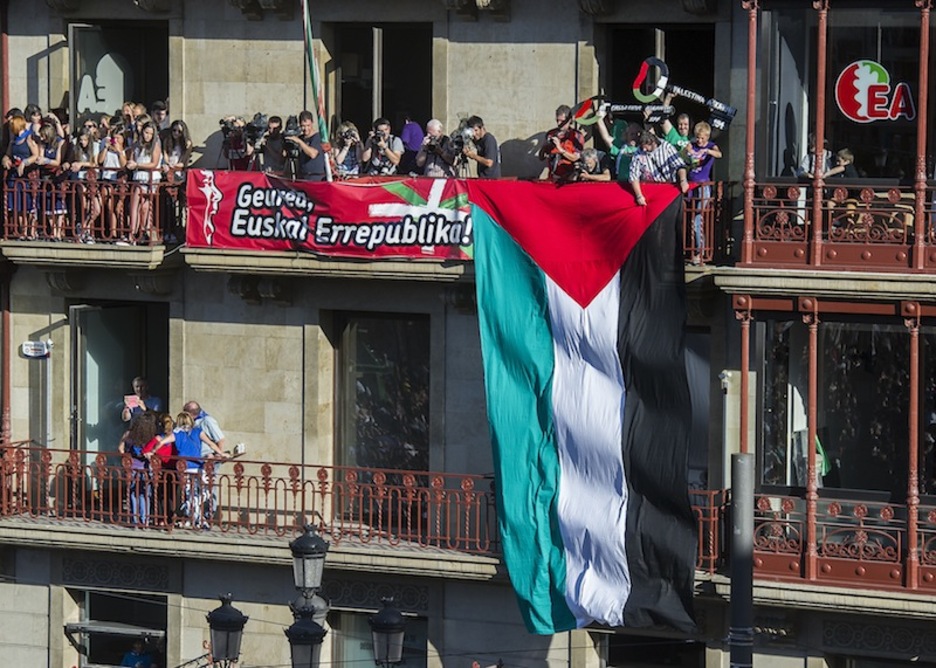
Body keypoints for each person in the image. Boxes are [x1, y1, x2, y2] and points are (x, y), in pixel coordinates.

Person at [682, 121, 722, 264]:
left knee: (697, 217)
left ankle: (699, 251)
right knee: (688, 216)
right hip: (691, 185)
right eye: (698, 138)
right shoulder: (693, 144)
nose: (699, 141)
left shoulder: (710, 146)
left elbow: (719, 154)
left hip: (703, 185)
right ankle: (689, 249)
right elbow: (683, 153)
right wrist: (688, 151)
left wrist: (707, 151)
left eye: (702, 138)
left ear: (707, 137)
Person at [2, 113, 40, 240]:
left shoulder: (29, 137)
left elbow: (36, 155)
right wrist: (5, 160)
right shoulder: (13, 140)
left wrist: (25, 162)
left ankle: (31, 231)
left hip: (27, 176)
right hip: (15, 177)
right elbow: (7, 155)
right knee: (17, 205)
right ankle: (22, 231)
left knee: (28, 204)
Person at [629, 131, 689, 206]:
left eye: (646, 146)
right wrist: (639, 196)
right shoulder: (638, 152)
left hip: (668, 189)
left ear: (653, 142)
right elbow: (633, 176)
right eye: (642, 147)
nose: (644, 150)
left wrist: (683, 180)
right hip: (649, 191)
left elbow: (680, 165)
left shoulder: (666, 147)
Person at [118, 412, 157, 526]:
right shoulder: (152, 437)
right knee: (145, 494)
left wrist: (126, 458)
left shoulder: (129, 434)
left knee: (133, 493)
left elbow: (120, 448)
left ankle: (135, 518)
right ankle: (145, 518)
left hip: (132, 466)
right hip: (145, 467)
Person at [127, 121, 162, 243]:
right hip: (139, 177)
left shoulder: (155, 146)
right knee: (135, 205)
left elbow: (154, 163)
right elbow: (131, 158)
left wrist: (138, 164)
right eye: (146, 132)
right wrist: (131, 163)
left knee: (146, 206)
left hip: (150, 178)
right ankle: (132, 233)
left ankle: (142, 231)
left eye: (150, 134)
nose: (148, 136)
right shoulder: (136, 145)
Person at [537, 104, 584, 181]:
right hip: (553, 177)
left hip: (570, 179)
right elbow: (541, 157)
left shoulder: (576, 136)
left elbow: (576, 158)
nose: (559, 123)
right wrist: (544, 147)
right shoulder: (551, 133)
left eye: (562, 121)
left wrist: (560, 149)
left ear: (569, 120)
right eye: (557, 120)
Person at [287, 110, 327, 181]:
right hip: (302, 176)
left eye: (308, 125)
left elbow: (313, 154)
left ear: (312, 123)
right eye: (303, 126)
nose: (305, 129)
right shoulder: (300, 138)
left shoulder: (317, 137)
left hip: (316, 177)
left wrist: (299, 142)